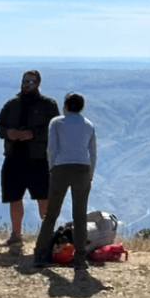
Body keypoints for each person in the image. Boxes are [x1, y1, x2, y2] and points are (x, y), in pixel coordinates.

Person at [0, 69, 58, 247]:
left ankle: (48, 237)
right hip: (14, 157)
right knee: (14, 198)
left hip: (38, 159)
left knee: (43, 198)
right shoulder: (12, 104)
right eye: (25, 81)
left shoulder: (48, 105)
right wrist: (8, 133)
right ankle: (16, 236)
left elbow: (54, 130)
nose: (27, 85)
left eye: (31, 82)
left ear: (38, 84)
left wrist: (33, 134)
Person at [34, 93, 97, 267]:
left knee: (51, 214)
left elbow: (51, 149)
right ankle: (80, 258)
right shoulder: (89, 125)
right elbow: (93, 154)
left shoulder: (56, 123)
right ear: (81, 107)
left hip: (61, 168)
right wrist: (90, 175)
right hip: (83, 169)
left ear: (66, 106)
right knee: (79, 215)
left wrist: (52, 168)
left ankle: (40, 254)